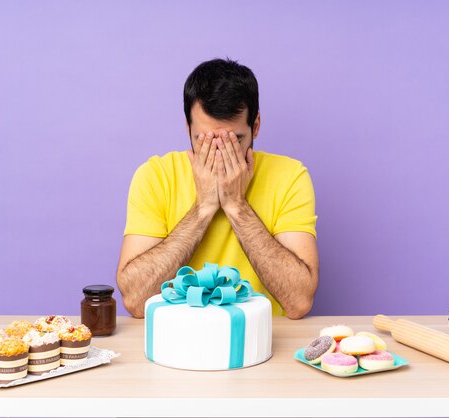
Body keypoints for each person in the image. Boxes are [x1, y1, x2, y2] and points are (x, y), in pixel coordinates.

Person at [116, 58, 318, 319]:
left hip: (261, 342)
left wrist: (237, 206)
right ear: (188, 127)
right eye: (204, 140)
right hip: (177, 339)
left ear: (255, 126)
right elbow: (135, 300)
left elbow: (299, 302)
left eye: (235, 140)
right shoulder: (155, 175)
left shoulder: (290, 176)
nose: (220, 153)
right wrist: (203, 208)